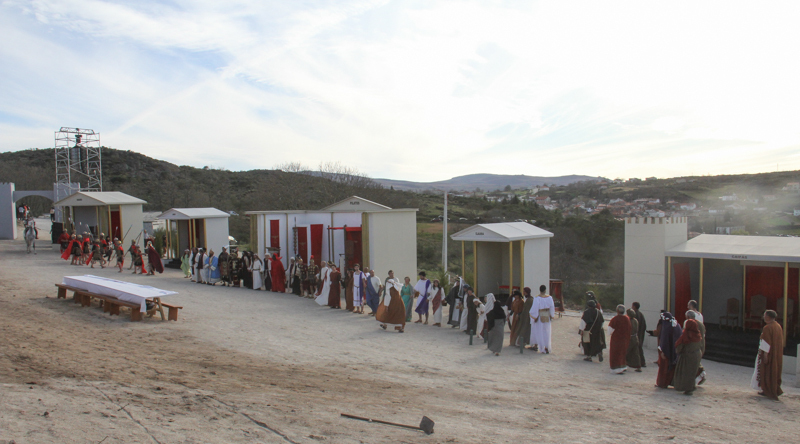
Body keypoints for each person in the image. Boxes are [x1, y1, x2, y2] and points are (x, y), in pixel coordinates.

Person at [752, 310, 783, 401]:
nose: (763, 317)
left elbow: (766, 342)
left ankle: (767, 389)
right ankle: (773, 388)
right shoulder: (778, 326)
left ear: (768, 317)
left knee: (766, 371)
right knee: (774, 371)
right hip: (776, 353)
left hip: (769, 354)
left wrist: (765, 355)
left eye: (765, 316)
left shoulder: (767, 327)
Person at [673, 318, 703, 395]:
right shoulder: (698, 334)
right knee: (692, 372)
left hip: (687, 356)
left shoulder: (687, 335)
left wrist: (678, 351)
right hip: (697, 355)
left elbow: (680, 345)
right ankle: (691, 386)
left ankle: (687, 388)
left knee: (686, 373)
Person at [656, 312, 683, 388]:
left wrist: (663, 351)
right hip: (674, 351)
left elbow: (664, 340)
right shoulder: (676, 325)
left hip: (667, 352)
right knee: (672, 368)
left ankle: (662, 383)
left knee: (664, 369)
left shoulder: (666, 326)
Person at [529, 285, 555, 354]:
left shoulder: (537, 298)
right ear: (545, 290)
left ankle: (540, 346)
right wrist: (551, 315)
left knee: (539, 331)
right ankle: (546, 347)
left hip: (540, 316)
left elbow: (535, 308)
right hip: (546, 316)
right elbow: (552, 307)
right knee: (546, 332)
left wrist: (535, 317)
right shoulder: (549, 298)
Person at [607, 305, 631, 374]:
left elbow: (609, 330)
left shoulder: (615, 319)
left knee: (615, 354)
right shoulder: (627, 319)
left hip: (616, 340)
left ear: (617, 311)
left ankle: (615, 368)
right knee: (622, 354)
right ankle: (622, 367)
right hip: (625, 339)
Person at [686, 310, 707, 385]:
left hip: (694, 346)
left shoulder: (690, 324)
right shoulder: (701, 324)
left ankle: (701, 375)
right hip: (701, 345)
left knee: (694, 363)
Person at [632, 302, 647, 368]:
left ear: (634, 306)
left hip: (637, 335)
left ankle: (640, 363)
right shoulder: (641, 314)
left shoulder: (635, 315)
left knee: (637, 348)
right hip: (640, 334)